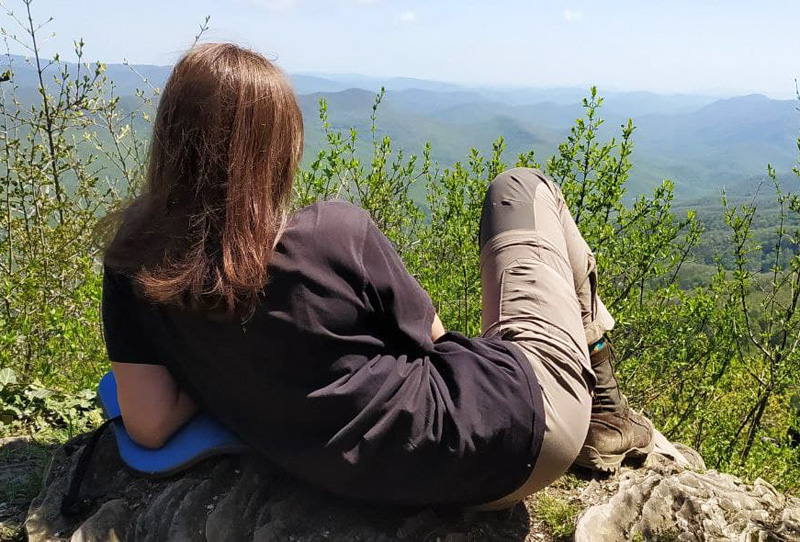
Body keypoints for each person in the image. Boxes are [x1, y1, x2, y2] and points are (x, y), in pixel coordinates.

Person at [101, 43, 653, 510]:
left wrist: (216, 371)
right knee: (520, 189)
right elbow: (431, 342)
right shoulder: (333, 233)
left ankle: (597, 410)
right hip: (526, 424)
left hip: (423, 488)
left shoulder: (134, 269)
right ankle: (601, 405)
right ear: (277, 152)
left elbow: (148, 425)